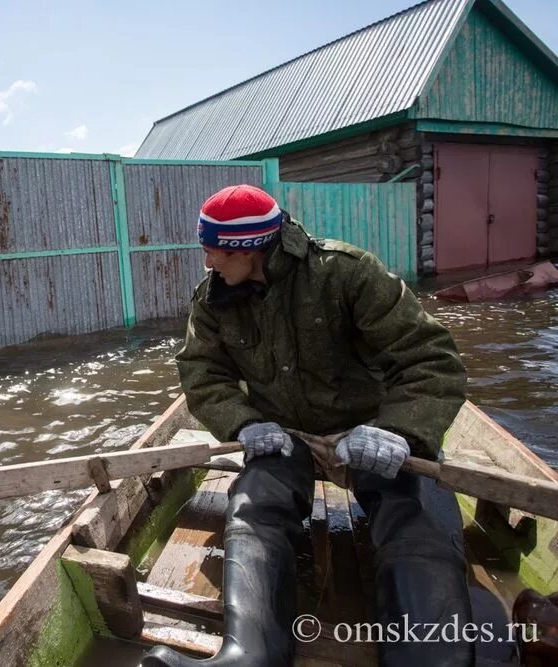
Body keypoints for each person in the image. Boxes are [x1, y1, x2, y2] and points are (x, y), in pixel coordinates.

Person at [142, 185, 473, 667]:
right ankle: (249, 655)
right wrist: (245, 423)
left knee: (412, 508)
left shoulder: (346, 272)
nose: (207, 263)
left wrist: (399, 431)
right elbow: (202, 375)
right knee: (255, 506)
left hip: (369, 432)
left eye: (212, 251)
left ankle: (433, 658)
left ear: (247, 247)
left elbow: (432, 360)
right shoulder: (212, 300)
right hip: (284, 434)